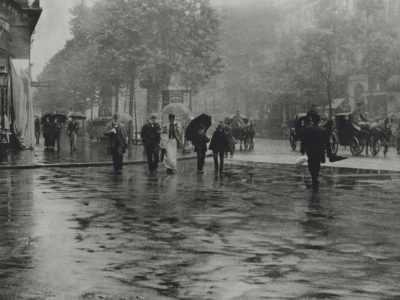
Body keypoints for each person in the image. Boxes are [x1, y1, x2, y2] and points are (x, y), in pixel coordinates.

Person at [300, 113, 332, 192]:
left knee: (311, 165)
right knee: (317, 165)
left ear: (312, 120)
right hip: (319, 150)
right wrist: (329, 152)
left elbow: (303, 140)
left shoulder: (307, 129)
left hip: (310, 150)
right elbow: (327, 142)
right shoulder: (322, 130)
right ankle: (315, 177)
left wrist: (302, 150)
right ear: (318, 121)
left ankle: (314, 177)